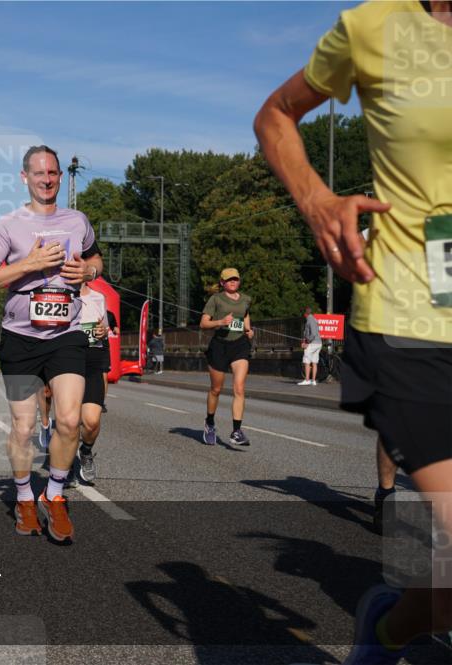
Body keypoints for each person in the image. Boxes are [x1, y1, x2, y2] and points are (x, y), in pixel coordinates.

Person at [254, 2, 452, 660]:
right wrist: (316, 199)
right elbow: (275, 114)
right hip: (408, 315)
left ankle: (390, 625)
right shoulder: (374, 26)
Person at [0, 144, 103, 543]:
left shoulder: (78, 220)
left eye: (53, 173)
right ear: (24, 177)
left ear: (60, 177)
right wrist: (29, 264)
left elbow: (98, 260)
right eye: (38, 173)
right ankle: (26, 496)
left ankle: (57, 494)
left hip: (67, 334)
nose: (46, 180)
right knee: (25, 427)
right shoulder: (9, 225)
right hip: (20, 337)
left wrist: (88, 269)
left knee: (69, 420)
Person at [200, 269, 254, 446]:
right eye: (229, 279)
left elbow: (245, 314)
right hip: (219, 346)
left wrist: (248, 329)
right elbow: (203, 323)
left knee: (239, 388)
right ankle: (209, 423)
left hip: (240, 345)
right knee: (216, 389)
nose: (233, 282)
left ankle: (236, 431)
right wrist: (220, 322)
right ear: (222, 282)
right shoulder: (216, 299)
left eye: (235, 279)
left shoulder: (246, 299)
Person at [72, 281, 109, 485]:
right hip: (67, 358)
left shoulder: (98, 297)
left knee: (92, 421)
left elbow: (103, 326)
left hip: (93, 358)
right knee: (68, 420)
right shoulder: (60, 294)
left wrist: (103, 331)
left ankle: (85, 451)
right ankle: (63, 461)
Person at [298, 307, 322, 385]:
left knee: (306, 361)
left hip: (313, 343)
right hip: (318, 343)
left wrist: (307, 343)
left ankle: (307, 380)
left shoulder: (310, 320)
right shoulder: (314, 319)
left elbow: (313, 333)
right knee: (314, 362)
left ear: (305, 314)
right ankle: (313, 381)